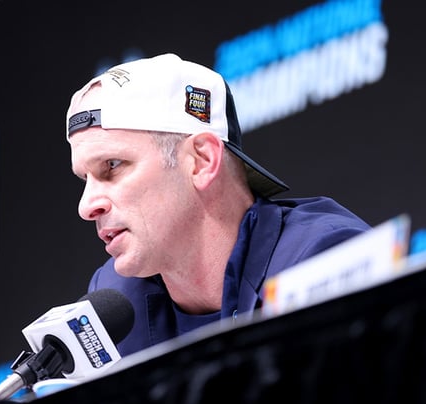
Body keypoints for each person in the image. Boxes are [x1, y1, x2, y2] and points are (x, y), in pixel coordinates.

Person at [65, 53, 371, 357]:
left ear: (202, 161)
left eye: (113, 165)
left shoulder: (322, 260)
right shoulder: (113, 303)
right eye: (85, 179)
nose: (86, 206)